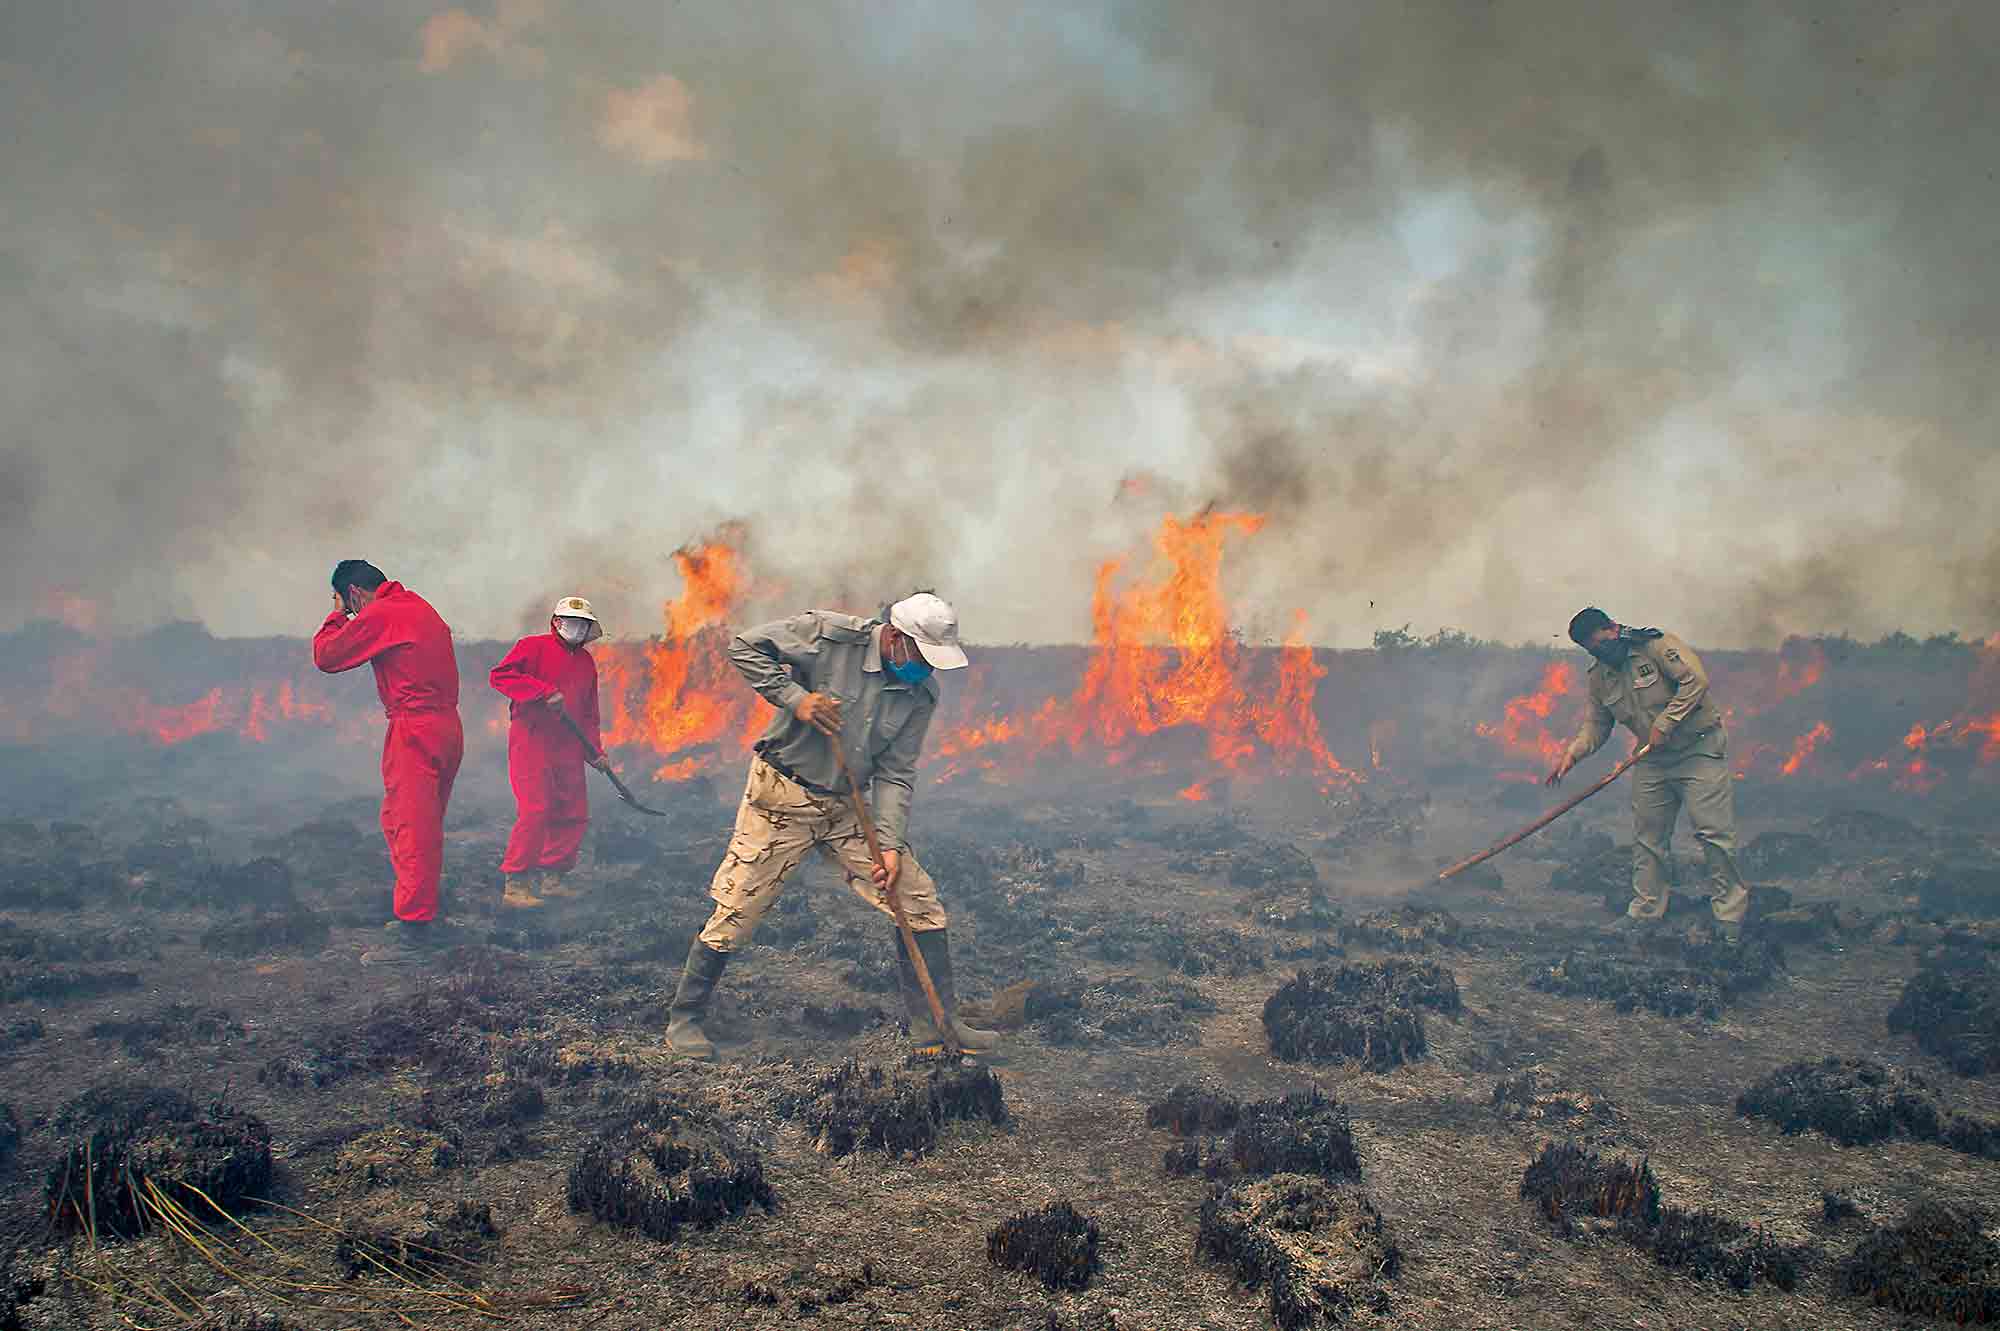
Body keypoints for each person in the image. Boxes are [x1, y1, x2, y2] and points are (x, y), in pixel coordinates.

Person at [664, 591, 999, 1060]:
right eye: (922, 656)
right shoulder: (829, 637)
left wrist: (889, 848)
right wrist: (796, 699)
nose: (927, 668)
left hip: (846, 806)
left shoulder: (920, 693)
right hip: (782, 797)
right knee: (737, 909)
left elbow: (896, 773)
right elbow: (745, 647)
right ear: (897, 639)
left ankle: (937, 1023)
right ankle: (685, 1020)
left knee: (917, 899)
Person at [1546, 607, 1750, 939]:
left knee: (1713, 834)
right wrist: (1574, 753)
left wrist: (1666, 723)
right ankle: (1645, 911)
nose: (1598, 652)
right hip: (1652, 760)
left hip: (1699, 750)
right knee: (1648, 839)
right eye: (1590, 649)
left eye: (1600, 642)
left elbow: (1695, 680)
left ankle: (1728, 917)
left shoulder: (1654, 647)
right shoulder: (1600, 676)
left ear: (1612, 628)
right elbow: (1597, 724)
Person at [312, 560, 464, 966]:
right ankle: (422, 912)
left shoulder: (381, 612)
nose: (350, 611)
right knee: (421, 825)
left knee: (409, 827)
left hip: (414, 728)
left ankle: (414, 933)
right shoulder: (419, 606)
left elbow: (327, 656)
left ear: (356, 594)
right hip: (447, 726)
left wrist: (336, 615)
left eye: (348, 602)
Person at [489, 596, 611, 908]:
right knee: (536, 809)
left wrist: (594, 751)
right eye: (573, 621)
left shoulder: (586, 663)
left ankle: (554, 876)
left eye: (584, 624)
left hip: (569, 743)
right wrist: (541, 692)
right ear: (556, 622)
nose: (578, 628)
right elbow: (501, 676)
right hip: (533, 738)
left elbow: (589, 714)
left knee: (573, 810)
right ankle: (516, 883)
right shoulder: (532, 647)